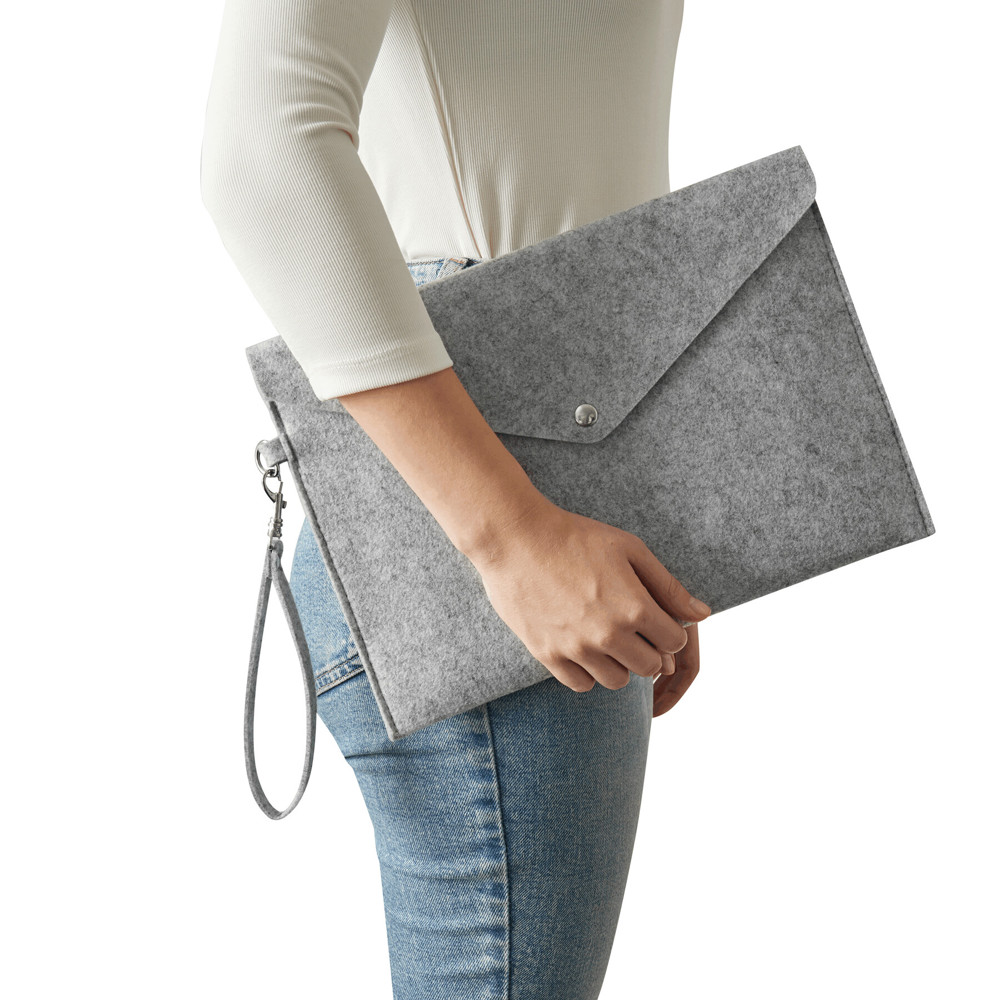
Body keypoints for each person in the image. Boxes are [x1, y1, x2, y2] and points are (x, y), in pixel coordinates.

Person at [200, 2, 711, 996]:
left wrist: (639, 490)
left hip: (539, 477)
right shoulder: (508, 533)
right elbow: (257, 152)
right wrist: (510, 538)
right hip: (484, 495)